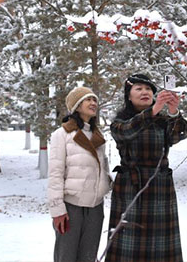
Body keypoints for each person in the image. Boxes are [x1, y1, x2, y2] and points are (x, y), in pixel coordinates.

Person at [106, 73, 187, 262]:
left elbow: (179, 134)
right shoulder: (119, 122)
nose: (145, 92)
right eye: (139, 88)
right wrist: (154, 110)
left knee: (160, 247)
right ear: (129, 95)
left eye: (148, 89)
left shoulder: (162, 120)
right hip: (130, 188)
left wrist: (174, 111)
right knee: (128, 243)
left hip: (160, 188)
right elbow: (127, 132)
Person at [48, 87, 112, 262]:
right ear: (76, 106)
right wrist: (57, 209)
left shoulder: (97, 135)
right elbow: (55, 174)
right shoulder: (61, 135)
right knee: (66, 257)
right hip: (71, 208)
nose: (93, 103)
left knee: (88, 258)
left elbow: (101, 168)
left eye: (95, 100)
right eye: (87, 100)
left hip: (95, 209)